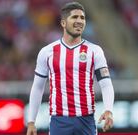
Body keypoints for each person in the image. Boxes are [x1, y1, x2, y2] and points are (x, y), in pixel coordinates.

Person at [26, 2, 114, 135]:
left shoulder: (95, 51)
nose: (79, 21)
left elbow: (106, 84)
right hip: (59, 121)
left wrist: (109, 110)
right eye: (75, 17)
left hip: (87, 120)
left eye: (82, 18)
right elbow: (38, 87)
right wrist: (31, 121)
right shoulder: (47, 52)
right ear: (63, 23)